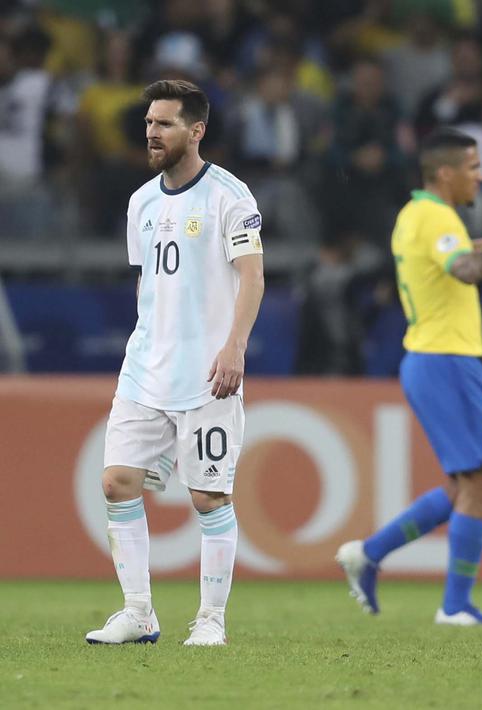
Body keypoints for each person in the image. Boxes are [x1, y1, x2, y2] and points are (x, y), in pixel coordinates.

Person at [336, 129, 482, 626]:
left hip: (437, 360)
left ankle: (370, 554)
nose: (481, 175)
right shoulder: (434, 216)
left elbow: (465, 249)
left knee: (467, 486)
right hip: (445, 360)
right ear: (446, 173)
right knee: (480, 487)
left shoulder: (416, 216)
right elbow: (464, 267)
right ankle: (455, 606)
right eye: (474, 166)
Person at [84, 80, 266, 647]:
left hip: (207, 373)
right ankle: (138, 613)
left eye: (164, 123)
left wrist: (234, 345)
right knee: (117, 482)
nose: (152, 132)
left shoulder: (229, 196)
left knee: (209, 497)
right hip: (145, 369)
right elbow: (152, 284)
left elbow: (253, 276)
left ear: (196, 130)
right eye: (148, 123)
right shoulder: (141, 202)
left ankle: (210, 619)